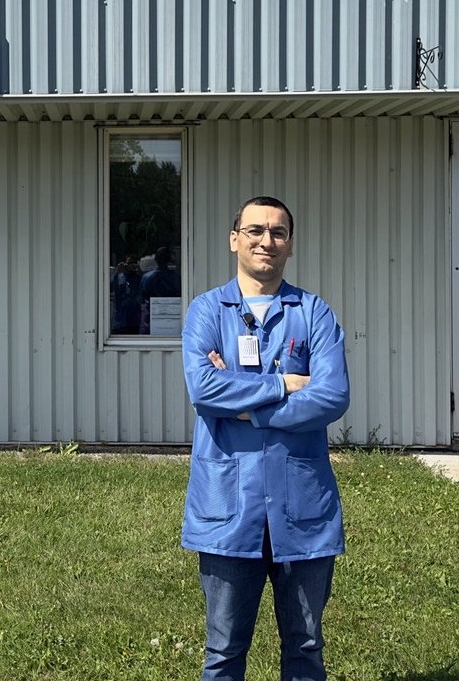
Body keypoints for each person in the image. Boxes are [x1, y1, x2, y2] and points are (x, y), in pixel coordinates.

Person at [181, 195, 350, 681]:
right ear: (234, 239)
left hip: (303, 508)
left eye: (278, 232)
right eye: (254, 230)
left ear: (290, 244)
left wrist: (247, 410)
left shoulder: (313, 312)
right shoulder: (206, 311)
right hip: (228, 508)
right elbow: (203, 388)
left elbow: (332, 395)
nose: (266, 241)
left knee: (306, 647)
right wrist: (284, 384)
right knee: (223, 650)